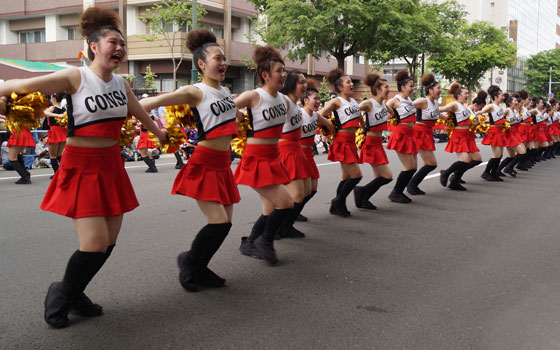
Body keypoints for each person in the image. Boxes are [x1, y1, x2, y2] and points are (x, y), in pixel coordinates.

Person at [0, 7, 166, 328]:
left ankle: (76, 293)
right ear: (94, 46)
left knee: (108, 244)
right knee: (93, 244)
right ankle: (60, 294)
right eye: (112, 42)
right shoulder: (76, 77)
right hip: (81, 167)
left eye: (122, 44)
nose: (119, 48)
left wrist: (162, 134)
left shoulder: (121, 83)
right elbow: (24, 84)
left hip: (111, 167)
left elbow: (139, 114)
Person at [140, 28, 240, 291]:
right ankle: (190, 264)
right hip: (205, 162)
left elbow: (230, 121)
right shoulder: (195, 91)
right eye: (217, 58)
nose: (222, 62)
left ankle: (199, 265)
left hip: (223, 163)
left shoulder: (227, 92)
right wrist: (133, 114)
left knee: (225, 223)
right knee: (218, 222)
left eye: (224, 58)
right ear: (202, 64)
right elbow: (154, 101)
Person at [235, 45, 294, 265]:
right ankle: (265, 241)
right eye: (279, 71)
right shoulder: (253, 95)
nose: (283, 75)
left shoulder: (285, 100)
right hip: (256, 157)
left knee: (271, 207)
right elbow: (226, 107)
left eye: (284, 70)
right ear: (265, 75)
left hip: (273, 157)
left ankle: (250, 241)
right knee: (286, 203)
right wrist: (239, 117)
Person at [318, 68, 363, 216]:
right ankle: (337, 201)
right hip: (342, 141)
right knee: (356, 175)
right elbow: (319, 115)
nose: (351, 84)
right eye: (348, 81)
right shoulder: (336, 101)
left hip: (351, 141)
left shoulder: (354, 102)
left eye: (351, 81)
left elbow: (360, 118)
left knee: (346, 177)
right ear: (340, 87)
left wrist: (364, 128)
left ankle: (339, 206)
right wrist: (330, 125)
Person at [354, 73, 393, 209]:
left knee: (379, 176)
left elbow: (392, 113)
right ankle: (361, 191)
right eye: (386, 87)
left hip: (378, 143)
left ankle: (364, 198)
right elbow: (354, 110)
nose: (388, 89)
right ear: (377, 89)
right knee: (387, 176)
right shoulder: (369, 103)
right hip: (371, 142)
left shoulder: (383, 103)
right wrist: (362, 125)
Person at [298, 82, 334, 220]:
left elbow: (329, 124)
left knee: (312, 189)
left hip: (309, 155)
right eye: (315, 99)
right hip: (298, 154)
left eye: (319, 99)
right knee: (301, 191)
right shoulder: (299, 115)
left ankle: (294, 212)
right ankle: (288, 216)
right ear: (306, 100)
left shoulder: (315, 115)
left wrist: (333, 136)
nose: (319, 102)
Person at [385, 70, 422, 203]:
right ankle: (396, 192)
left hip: (411, 135)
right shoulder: (395, 100)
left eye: (413, 85)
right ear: (402, 87)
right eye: (410, 86)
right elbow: (383, 107)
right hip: (401, 134)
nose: (413, 88)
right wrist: (389, 113)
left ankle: (399, 191)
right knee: (409, 167)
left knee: (413, 167)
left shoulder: (409, 99)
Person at [438, 83, 480, 190]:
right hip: (459, 135)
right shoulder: (454, 105)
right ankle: (446, 173)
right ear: (459, 95)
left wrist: (475, 121)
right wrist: (443, 117)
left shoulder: (464, 106)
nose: (467, 95)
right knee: (465, 160)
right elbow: (441, 109)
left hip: (467, 135)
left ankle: (454, 181)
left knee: (475, 159)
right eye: (465, 93)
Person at [406, 73, 441, 195]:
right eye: (438, 88)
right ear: (430, 90)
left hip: (428, 133)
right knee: (431, 163)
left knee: (428, 163)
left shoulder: (436, 104)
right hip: (419, 132)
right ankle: (411, 185)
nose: (440, 91)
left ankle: (412, 185)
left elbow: (438, 114)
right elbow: (406, 107)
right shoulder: (422, 101)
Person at [476, 85, 507, 181]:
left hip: (500, 131)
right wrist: (472, 114)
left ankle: (493, 173)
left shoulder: (499, 107)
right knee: (496, 154)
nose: (503, 97)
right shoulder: (491, 106)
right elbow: (480, 112)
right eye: (501, 95)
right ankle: (486, 173)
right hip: (494, 131)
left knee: (500, 155)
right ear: (496, 96)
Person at [43, 92, 67, 178]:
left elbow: (45, 113)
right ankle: (62, 172)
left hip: (55, 132)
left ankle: (57, 174)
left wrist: (56, 115)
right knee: (59, 154)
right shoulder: (64, 109)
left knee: (53, 155)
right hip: (63, 132)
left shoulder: (53, 108)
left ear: (53, 99)